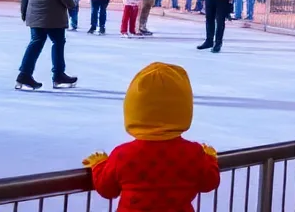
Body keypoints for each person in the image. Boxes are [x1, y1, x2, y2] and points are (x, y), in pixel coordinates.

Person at [85, 62, 220, 206]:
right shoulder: (194, 153)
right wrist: (210, 159)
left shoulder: (122, 155)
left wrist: (99, 165)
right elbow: (209, 182)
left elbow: (107, 189)